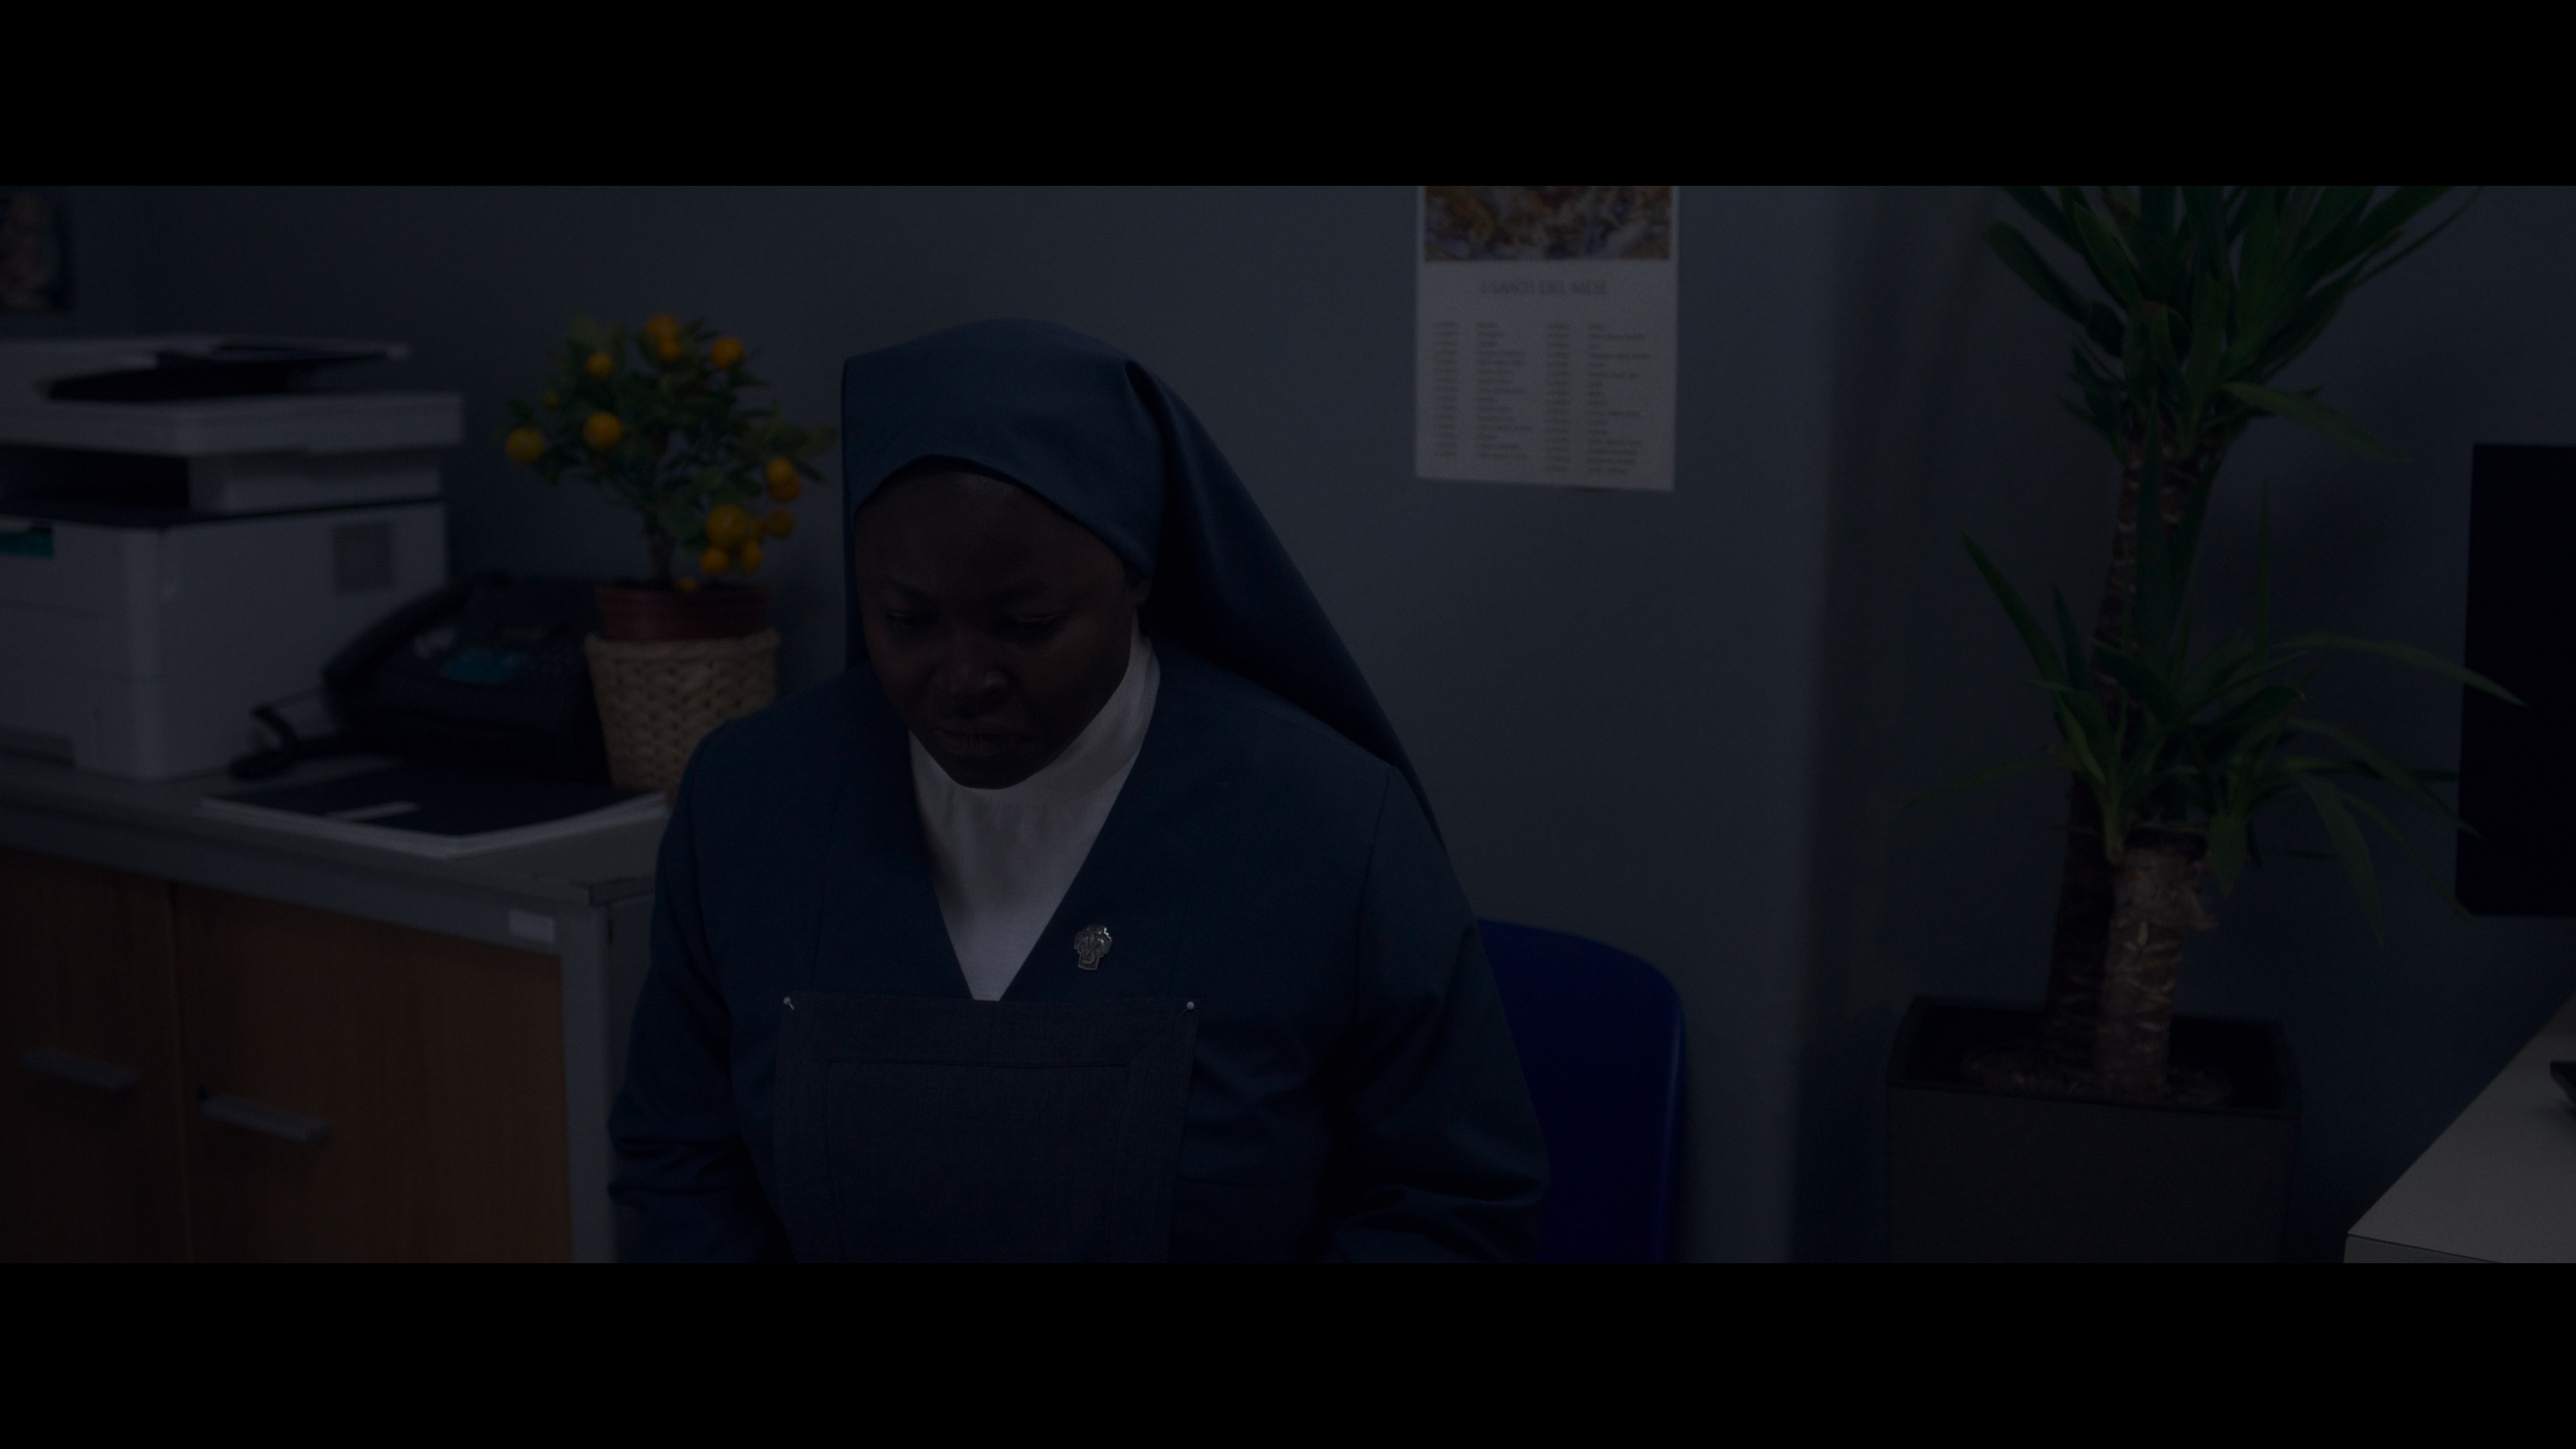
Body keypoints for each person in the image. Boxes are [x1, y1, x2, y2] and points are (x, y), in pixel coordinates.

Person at [610, 320, 1547, 1261]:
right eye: (909, 620)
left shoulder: (1327, 824)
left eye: (1026, 624)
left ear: (1136, 572)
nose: (963, 678)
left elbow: (1453, 1201)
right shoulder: (749, 802)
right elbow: (683, 1162)